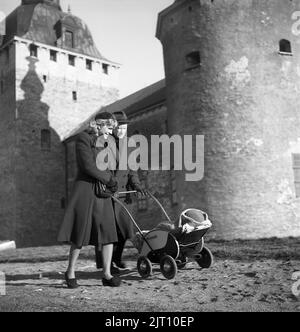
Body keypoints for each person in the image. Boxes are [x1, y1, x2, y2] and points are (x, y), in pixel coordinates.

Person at [57, 112, 122, 288]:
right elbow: (87, 166)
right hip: (86, 189)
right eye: (109, 127)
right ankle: (70, 271)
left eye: (113, 128)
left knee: (108, 232)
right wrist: (108, 179)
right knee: (80, 233)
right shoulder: (83, 138)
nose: (111, 131)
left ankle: (107, 274)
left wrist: (112, 180)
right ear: (100, 124)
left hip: (103, 190)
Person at [95, 111, 148, 270]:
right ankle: (106, 264)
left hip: (124, 195)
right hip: (109, 193)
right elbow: (100, 168)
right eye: (118, 128)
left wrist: (137, 185)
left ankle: (116, 258)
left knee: (125, 230)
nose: (121, 132)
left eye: (124, 129)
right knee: (108, 231)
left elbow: (132, 170)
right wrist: (108, 185)